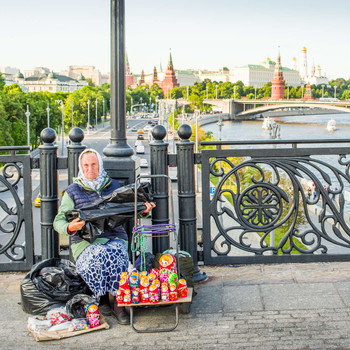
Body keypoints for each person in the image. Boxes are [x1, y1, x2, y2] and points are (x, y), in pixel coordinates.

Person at [53, 149, 155, 325]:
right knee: (99, 254)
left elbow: (132, 209)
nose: (90, 169)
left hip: (115, 237)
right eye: (86, 165)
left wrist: (144, 211)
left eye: (94, 164)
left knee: (114, 252)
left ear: (100, 165)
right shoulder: (72, 191)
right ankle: (102, 299)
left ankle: (118, 304)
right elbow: (58, 221)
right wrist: (70, 227)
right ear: (81, 167)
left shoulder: (114, 186)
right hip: (85, 243)